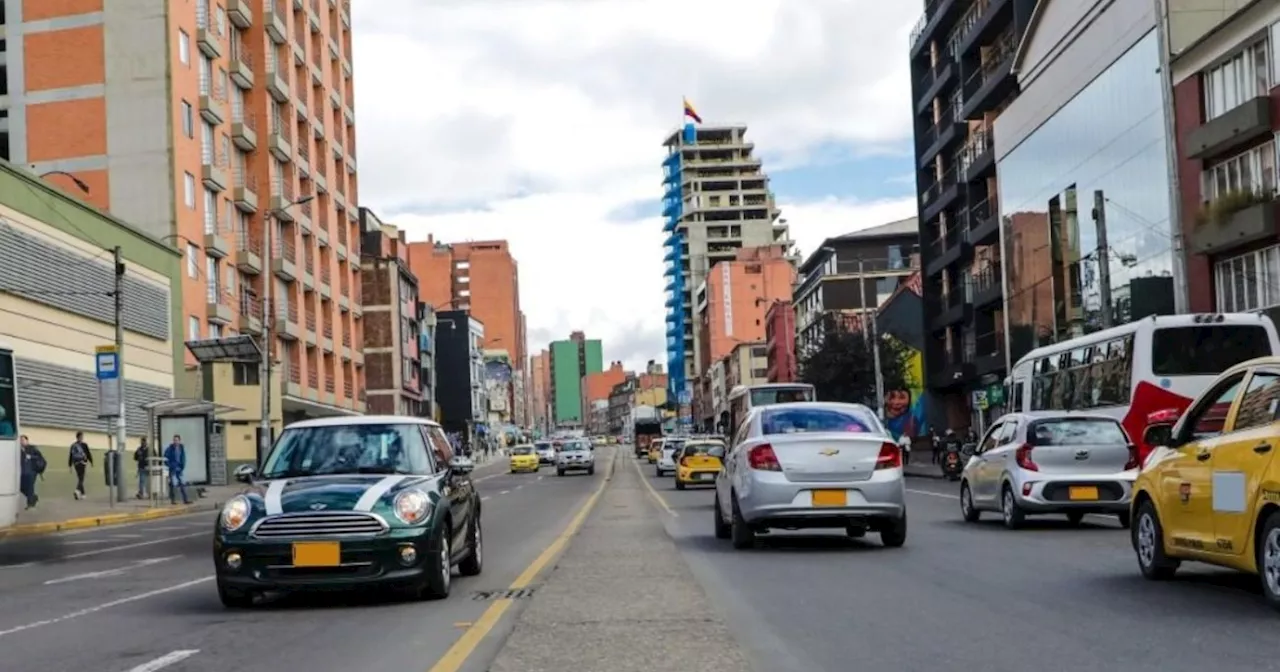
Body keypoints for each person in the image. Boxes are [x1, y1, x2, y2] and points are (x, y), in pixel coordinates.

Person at [163, 434, 192, 505]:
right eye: (174, 440)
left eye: (177, 440)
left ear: (179, 441)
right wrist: (170, 465)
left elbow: (183, 458)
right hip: (172, 468)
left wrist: (182, 466)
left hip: (179, 468)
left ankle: (185, 499)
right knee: (173, 484)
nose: (175, 441)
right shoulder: (170, 448)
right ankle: (173, 500)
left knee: (182, 483)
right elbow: (165, 458)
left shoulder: (181, 448)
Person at [19, 435, 45, 509]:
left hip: (32, 471)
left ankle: (29, 503)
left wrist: (31, 457)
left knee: (30, 487)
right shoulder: (19, 450)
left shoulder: (33, 448)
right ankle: (33, 497)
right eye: (20, 440)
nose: (21, 441)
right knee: (21, 487)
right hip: (23, 472)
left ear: (27, 441)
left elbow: (40, 458)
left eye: (23, 440)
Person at [68, 431, 93, 499]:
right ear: (80, 437)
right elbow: (88, 453)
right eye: (82, 436)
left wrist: (70, 465)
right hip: (82, 463)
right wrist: (91, 462)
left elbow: (70, 456)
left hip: (76, 464)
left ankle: (83, 494)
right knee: (81, 478)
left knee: (80, 478)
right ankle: (77, 490)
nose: (82, 437)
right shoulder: (84, 445)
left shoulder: (73, 445)